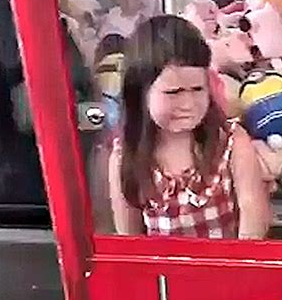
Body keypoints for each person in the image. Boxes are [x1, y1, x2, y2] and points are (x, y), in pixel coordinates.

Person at [109, 15, 270, 239]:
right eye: (173, 92)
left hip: (226, 271)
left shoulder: (231, 142)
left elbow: (253, 220)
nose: (188, 104)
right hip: (163, 274)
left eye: (198, 89)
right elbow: (129, 240)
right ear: (139, 93)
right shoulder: (125, 156)